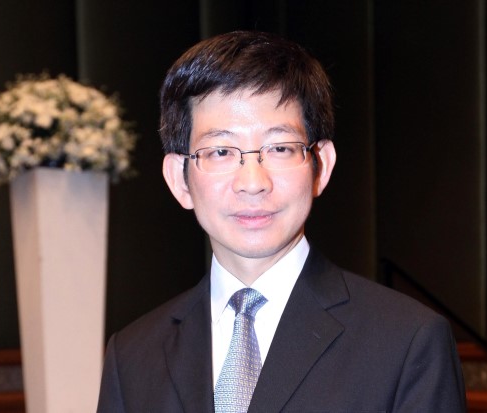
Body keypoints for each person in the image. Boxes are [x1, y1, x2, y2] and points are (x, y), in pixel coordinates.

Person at [97, 30, 466, 412]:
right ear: (179, 180)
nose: (253, 182)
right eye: (221, 152)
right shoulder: (132, 357)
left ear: (321, 166)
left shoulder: (407, 342)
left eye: (280, 148)